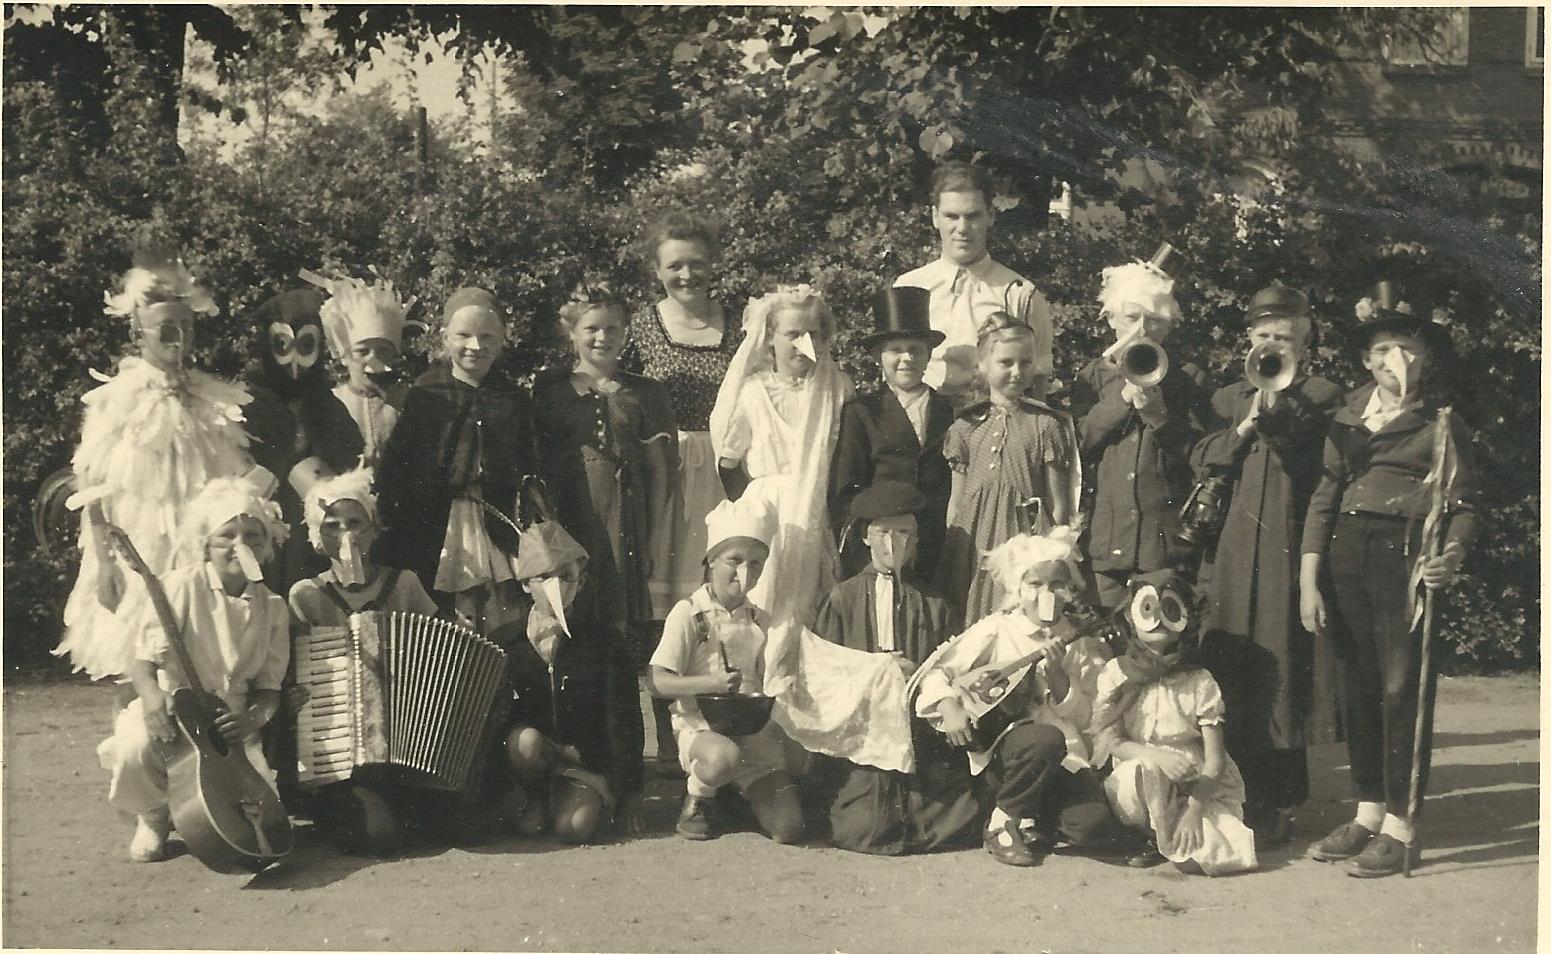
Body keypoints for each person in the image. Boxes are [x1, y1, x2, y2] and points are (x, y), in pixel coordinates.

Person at [1299, 281, 1478, 879]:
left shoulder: (1442, 423)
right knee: (1359, 687)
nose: (1391, 360)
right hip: (1346, 554)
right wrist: (1308, 578)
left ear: (1425, 361)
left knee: (1402, 691)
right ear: (1364, 359)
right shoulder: (1348, 416)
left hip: (1403, 561)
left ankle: (1403, 825)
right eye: (1380, 350)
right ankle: (1369, 811)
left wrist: (1448, 555)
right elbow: (1324, 498)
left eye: (1405, 348)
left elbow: (1463, 504)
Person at [58, 240, 258, 683]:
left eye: (186, 327)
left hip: (197, 552)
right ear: (138, 332)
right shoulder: (115, 401)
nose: (178, 338)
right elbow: (93, 488)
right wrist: (105, 564)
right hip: (140, 548)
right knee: (135, 661)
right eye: (166, 328)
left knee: (197, 668)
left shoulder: (213, 401)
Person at [1190, 286, 1343, 848]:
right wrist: (1246, 425)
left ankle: (1278, 800)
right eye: (1263, 333)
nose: (1272, 341)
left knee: (1281, 664)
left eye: (1284, 332)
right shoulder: (1229, 397)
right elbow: (1201, 459)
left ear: (1305, 335)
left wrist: (1283, 407)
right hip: (1231, 551)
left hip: (1285, 544)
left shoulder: (1324, 395)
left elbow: (1319, 466)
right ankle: (1231, 789)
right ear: (1248, 338)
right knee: (1230, 664)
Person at [98, 476, 290, 862]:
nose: (240, 546)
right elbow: (143, 660)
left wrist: (252, 719)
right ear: (207, 543)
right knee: (136, 744)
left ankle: (199, 813)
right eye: (227, 536)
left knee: (257, 816)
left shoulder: (273, 606)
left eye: (252, 535)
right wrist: (152, 700)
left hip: (229, 720)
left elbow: (270, 688)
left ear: (266, 543)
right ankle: (153, 813)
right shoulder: (183, 586)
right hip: (176, 705)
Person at [910, 526, 1126, 867]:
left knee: (1092, 827)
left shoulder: (1080, 640)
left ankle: (1033, 819)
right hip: (1007, 750)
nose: (1046, 593)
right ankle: (1002, 822)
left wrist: (1058, 679)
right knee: (1043, 738)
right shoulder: (998, 628)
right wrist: (949, 706)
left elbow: (1091, 718)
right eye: (1035, 584)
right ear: (1018, 589)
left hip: (1064, 754)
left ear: (1070, 589)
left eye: (1056, 584)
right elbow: (939, 672)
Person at [626, 211, 742, 768]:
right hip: (666, 474)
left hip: (728, 472)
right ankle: (672, 749)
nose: (687, 275)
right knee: (669, 610)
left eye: (697, 263)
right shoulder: (641, 327)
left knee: (728, 598)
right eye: (675, 265)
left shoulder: (741, 323)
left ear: (713, 263)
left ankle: (731, 736)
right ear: (657, 269)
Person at [812, 481, 978, 855]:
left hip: (919, 727)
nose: (893, 543)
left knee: (957, 815)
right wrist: (878, 671)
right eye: (883, 532)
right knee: (864, 824)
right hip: (862, 729)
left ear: (917, 540)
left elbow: (951, 668)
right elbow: (824, 674)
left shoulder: (934, 603)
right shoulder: (842, 599)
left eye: (904, 532)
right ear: (866, 538)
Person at [285, 468, 440, 855]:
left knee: (457, 820)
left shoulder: (404, 585)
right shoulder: (307, 596)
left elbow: (439, 654)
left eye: (356, 523)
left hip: (411, 746)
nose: (346, 535)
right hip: (339, 750)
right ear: (317, 538)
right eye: (332, 526)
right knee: (379, 835)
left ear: (374, 530)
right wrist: (297, 697)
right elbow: (292, 673)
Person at [375, 286, 537, 628]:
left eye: (487, 336)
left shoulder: (513, 400)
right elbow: (397, 470)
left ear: (502, 340)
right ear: (445, 337)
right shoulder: (423, 395)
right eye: (464, 335)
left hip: (495, 522)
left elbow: (528, 466)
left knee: (499, 615)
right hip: (432, 526)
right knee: (440, 616)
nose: (475, 346)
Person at [534, 278, 678, 661]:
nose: (602, 337)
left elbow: (661, 474)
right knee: (569, 614)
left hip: (624, 519)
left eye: (612, 328)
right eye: (591, 328)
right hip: (570, 514)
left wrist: (652, 540)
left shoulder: (646, 392)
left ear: (626, 332)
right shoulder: (549, 389)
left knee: (617, 625)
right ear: (572, 332)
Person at [648, 495, 804, 844]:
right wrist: (710, 682)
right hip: (702, 728)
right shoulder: (689, 613)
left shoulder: (760, 619)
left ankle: (735, 796)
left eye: (756, 563)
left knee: (789, 828)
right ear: (711, 561)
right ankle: (699, 799)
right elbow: (656, 681)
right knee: (722, 757)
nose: (744, 572)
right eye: (734, 560)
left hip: (750, 731)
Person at [1070, 244, 1210, 610]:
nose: (1141, 330)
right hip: (1107, 547)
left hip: (1161, 551)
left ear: (1168, 326)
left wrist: (1162, 417)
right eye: (1131, 317)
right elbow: (1075, 446)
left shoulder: (1188, 379)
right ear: (1113, 318)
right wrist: (1121, 400)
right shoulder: (1092, 377)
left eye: (1153, 321)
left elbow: (1200, 459)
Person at [1093, 572, 1258, 876]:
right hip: (1140, 773)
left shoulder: (1198, 680)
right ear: (1131, 619)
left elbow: (1215, 760)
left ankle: (1174, 834)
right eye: (1147, 609)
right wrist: (1158, 757)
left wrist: (1195, 809)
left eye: (1169, 610)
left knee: (1217, 855)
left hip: (1195, 783)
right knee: (1145, 772)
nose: (1157, 620)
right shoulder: (1117, 672)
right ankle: (1149, 835)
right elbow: (1112, 741)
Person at [709, 284, 854, 627]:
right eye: (792, 334)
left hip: (816, 505)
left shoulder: (838, 389)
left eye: (813, 334)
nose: (803, 343)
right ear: (770, 337)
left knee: (809, 604)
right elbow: (728, 462)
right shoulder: (752, 392)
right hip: (767, 511)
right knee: (764, 598)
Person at [500, 516, 646, 843]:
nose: (558, 587)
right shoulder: (507, 643)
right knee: (523, 741)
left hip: (586, 762)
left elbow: (625, 719)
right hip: (534, 759)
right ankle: (534, 797)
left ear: (581, 581)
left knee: (574, 829)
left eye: (567, 577)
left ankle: (573, 798)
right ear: (525, 583)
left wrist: (632, 791)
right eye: (543, 577)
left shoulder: (604, 642)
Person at [934, 314, 1080, 625]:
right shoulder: (965, 425)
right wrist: (952, 549)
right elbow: (956, 500)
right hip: (972, 545)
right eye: (1006, 362)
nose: (1016, 372)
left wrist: (1052, 550)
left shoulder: (1046, 424)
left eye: (1025, 363)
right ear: (983, 364)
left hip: (1022, 540)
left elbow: (1059, 504)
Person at [894, 160, 1055, 405]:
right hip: (922, 431)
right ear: (935, 217)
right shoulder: (909, 288)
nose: (962, 228)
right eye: (951, 216)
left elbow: (1039, 380)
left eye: (973, 216)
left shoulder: (1019, 294)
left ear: (990, 216)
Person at [829, 286, 954, 582]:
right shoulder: (862, 412)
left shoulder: (948, 411)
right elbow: (845, 490)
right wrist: (865, 541)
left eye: (915, 350)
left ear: (928, 356)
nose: (906, 358)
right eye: (896, 350)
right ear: (878, 356)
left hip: (933, 541)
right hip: (880, 543)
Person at [304, 268, 421, 470]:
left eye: (383, 351)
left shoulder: (409, 402)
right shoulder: (328, 404)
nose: (373, 359)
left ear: (395, 357)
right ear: (346, 357)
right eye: (362, 351)